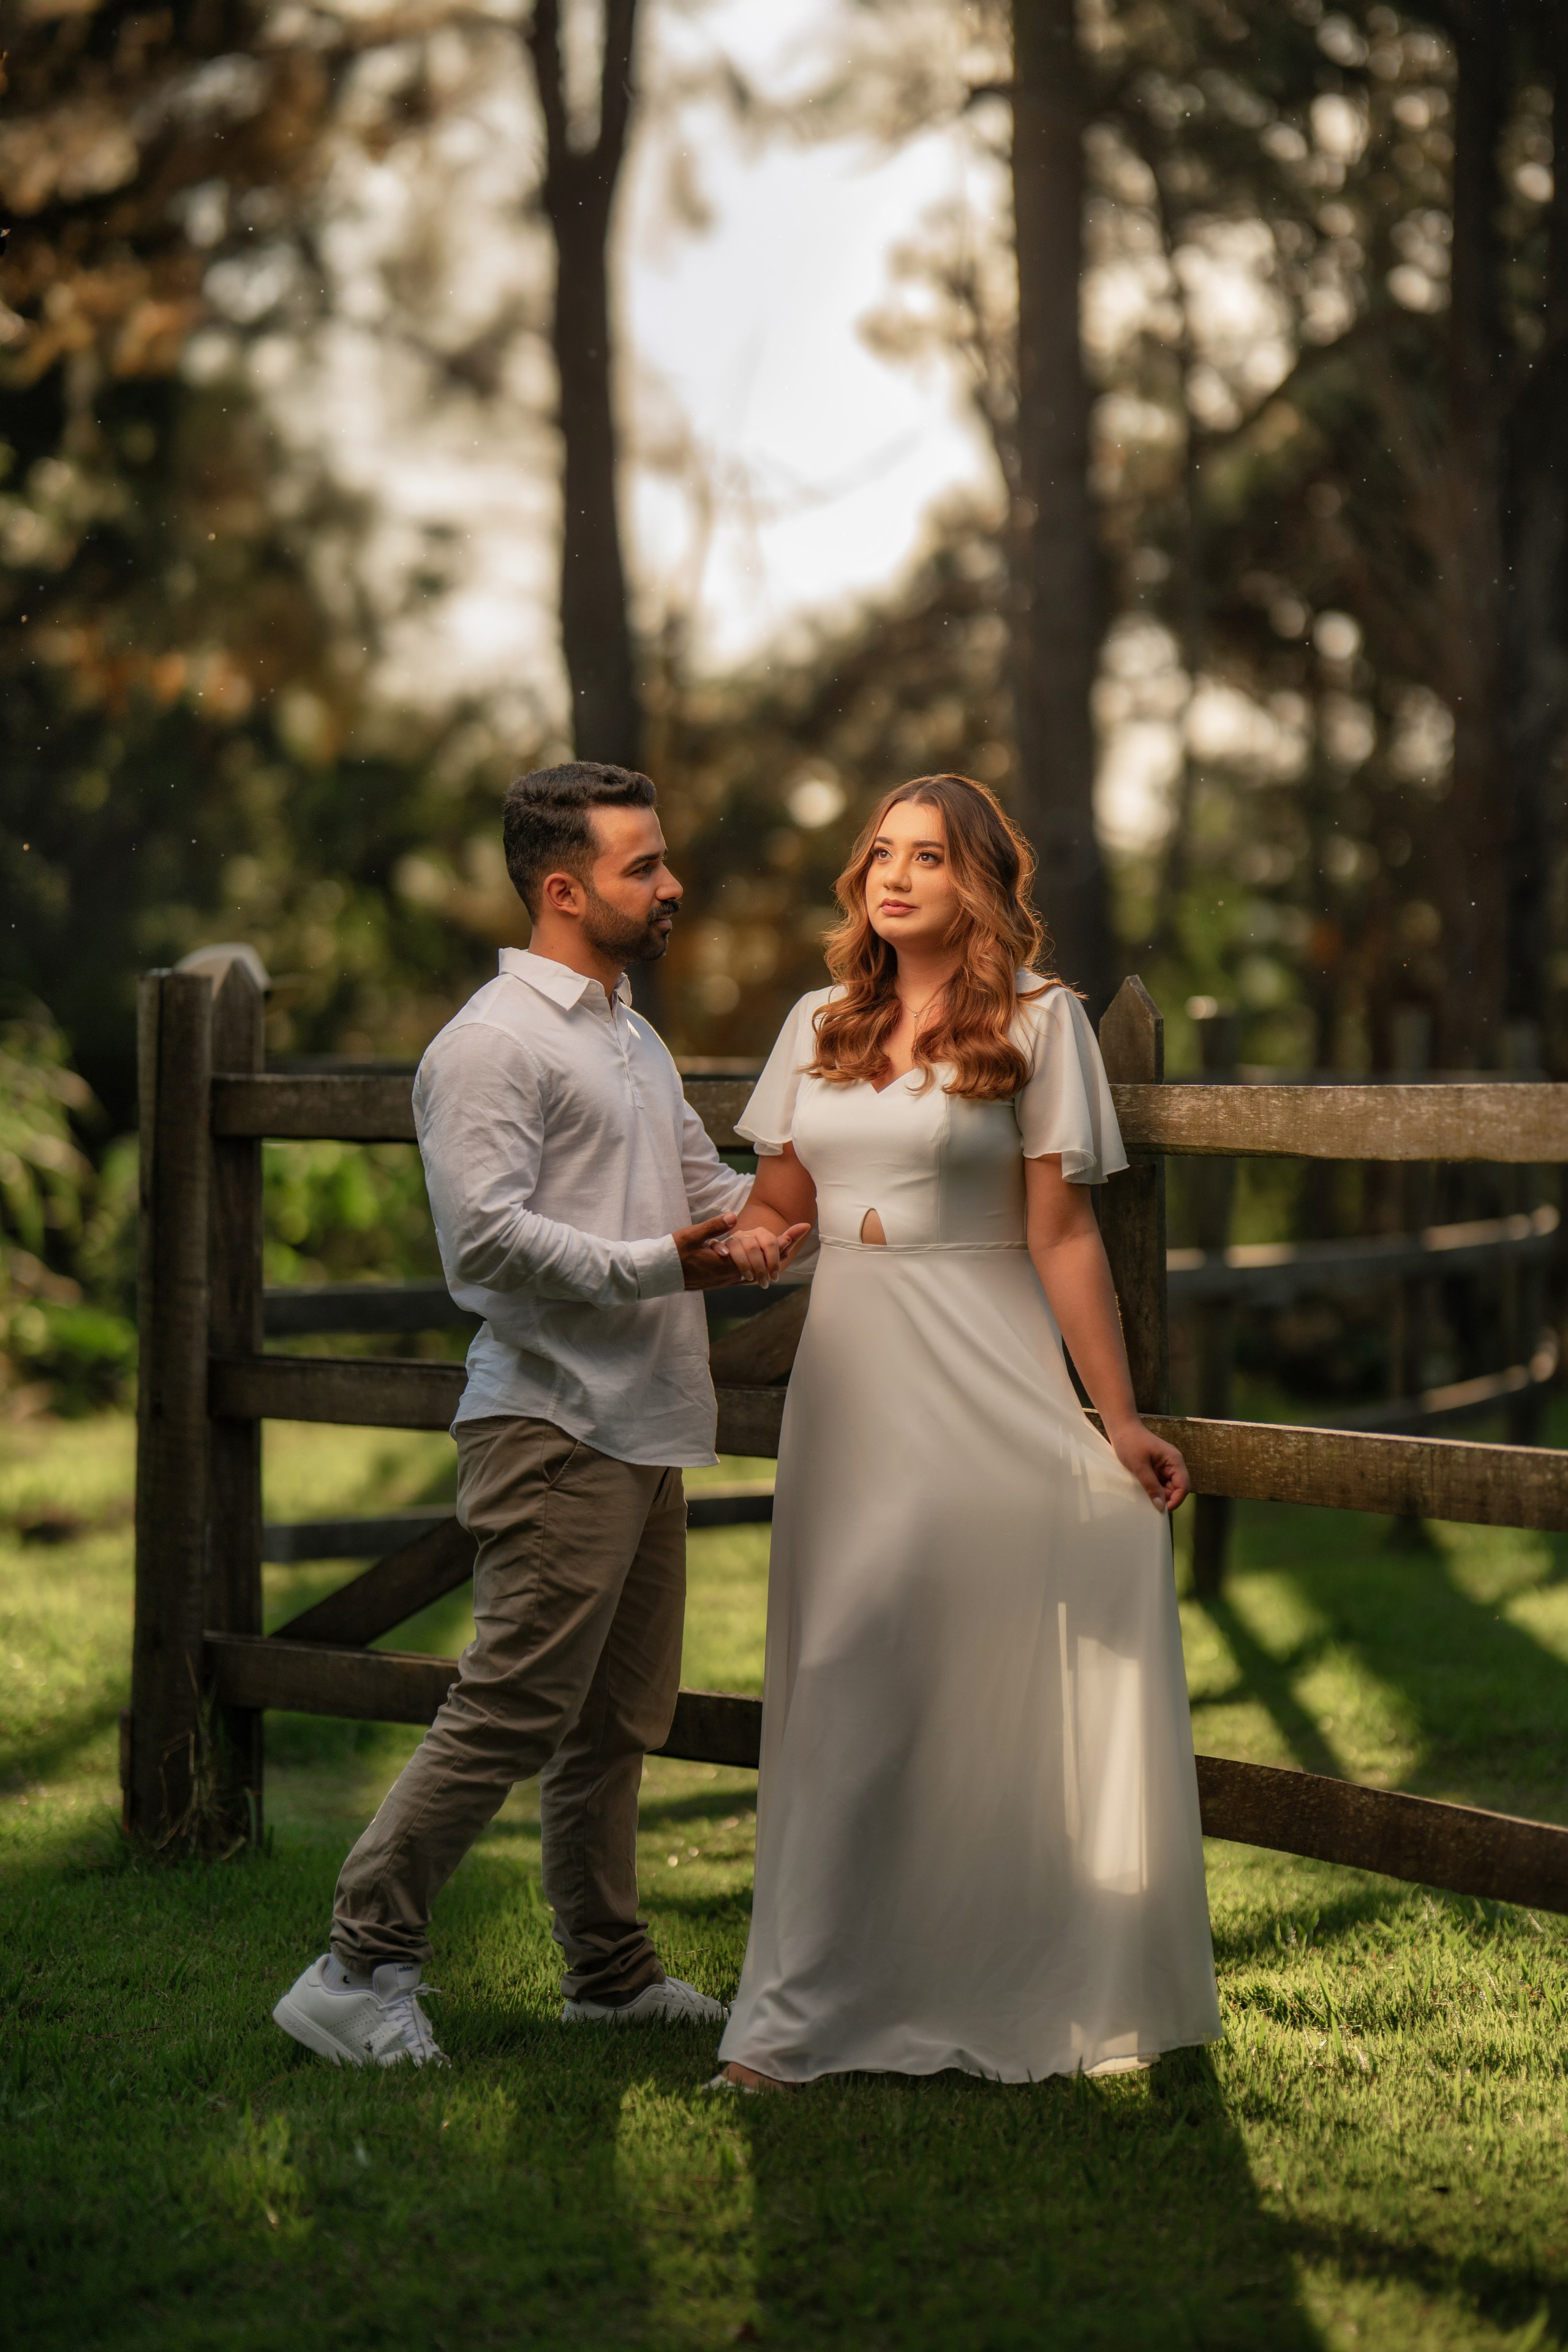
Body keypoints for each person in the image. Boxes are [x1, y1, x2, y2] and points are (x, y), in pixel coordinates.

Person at [273, 761, 807, 2068]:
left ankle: (608, 1975)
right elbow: (484, 1250)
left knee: (616, 1720)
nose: (672, 884)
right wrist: (663, 1266)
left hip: (645, 1422)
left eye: (663, 858)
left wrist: (881, 1181)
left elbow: (710, 1191)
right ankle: (357, 1961)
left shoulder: (625, 1032)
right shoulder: (488, 1046)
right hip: (554, 1426)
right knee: (511, 1707)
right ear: (562, 890)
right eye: (644, 867)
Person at [708, 772, 1221, 2088]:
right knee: (839, 1674)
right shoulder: (816, 1021)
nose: (893, 877)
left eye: (927, 858)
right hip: (852, 1380)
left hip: (982, 1375)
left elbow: (1058, 1233)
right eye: (880, 853)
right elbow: (778, 1201)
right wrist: (754, 1241)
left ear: (978, 882)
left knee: (924, 1662)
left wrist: (1114, 1417)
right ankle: (797, 2012)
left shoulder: (1043, 1026)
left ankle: (979, 1981)